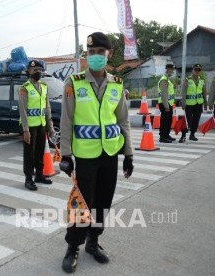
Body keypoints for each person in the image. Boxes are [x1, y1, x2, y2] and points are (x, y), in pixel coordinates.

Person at [59, 32, 134, 273]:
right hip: (85, 156)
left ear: (109, 54)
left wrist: (129, 153)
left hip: (110, 154)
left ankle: (93, 240)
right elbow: (66, 121)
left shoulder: (117, 84)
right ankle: (73, 246)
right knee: (83, 203)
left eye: (100, 52)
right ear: (86, 56)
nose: (95, 57)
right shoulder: (74, 83)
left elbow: (123, 121)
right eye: (90, 53)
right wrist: (66, 154)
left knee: (103, 202)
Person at [18, 59, 54, 191]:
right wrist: (25, 130)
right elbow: (22, 110)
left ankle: (39, 175)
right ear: (29, 72)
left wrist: (50, 126)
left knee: (39, 151)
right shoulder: (24, 88)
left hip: (41, 125)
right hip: (30, 127)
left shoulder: (44, 86)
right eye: (35, 70)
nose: (38, 72)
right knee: (29, 153)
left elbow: (47, 107)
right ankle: (28, 178)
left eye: (39, 70)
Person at [180, 64, 208, 142]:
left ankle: (192, 135)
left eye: (199, 70)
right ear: (192, 70)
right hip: (189, 104)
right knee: (188, 120)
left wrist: (205, 103)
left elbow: (204, 92)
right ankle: (183, 134)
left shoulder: (202, 80)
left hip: (199, 103)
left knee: (196, 120)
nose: (197, 71)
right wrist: (183, 103)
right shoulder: (187, 80)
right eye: (195, 70)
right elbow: (184, 92)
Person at [157, 64, 176, 143]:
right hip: (165, 104)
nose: (172, 71)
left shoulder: (168, 79)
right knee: (165, 121)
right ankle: (163, 137)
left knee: (168, 120)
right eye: (171, 69)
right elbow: (164, 94)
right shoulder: (164, 80)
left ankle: (166, 135)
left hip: (169, 103)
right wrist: (166, 106)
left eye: (172, 69)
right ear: (167, 69)